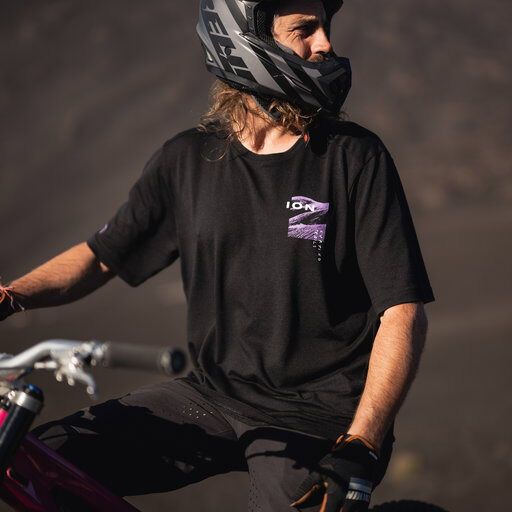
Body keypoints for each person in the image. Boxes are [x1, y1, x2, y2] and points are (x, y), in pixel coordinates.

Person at [0, 1, 435, 511]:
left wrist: (363, 442)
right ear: (245, 40)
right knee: (33, 463)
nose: (325, 44)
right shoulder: (186, 160)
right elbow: (101, 257)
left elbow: (402, 311)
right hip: (212, 395)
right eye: (305, 29)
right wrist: (9, 297)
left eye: (325, 28)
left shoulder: (354, 157)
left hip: (320, 417)